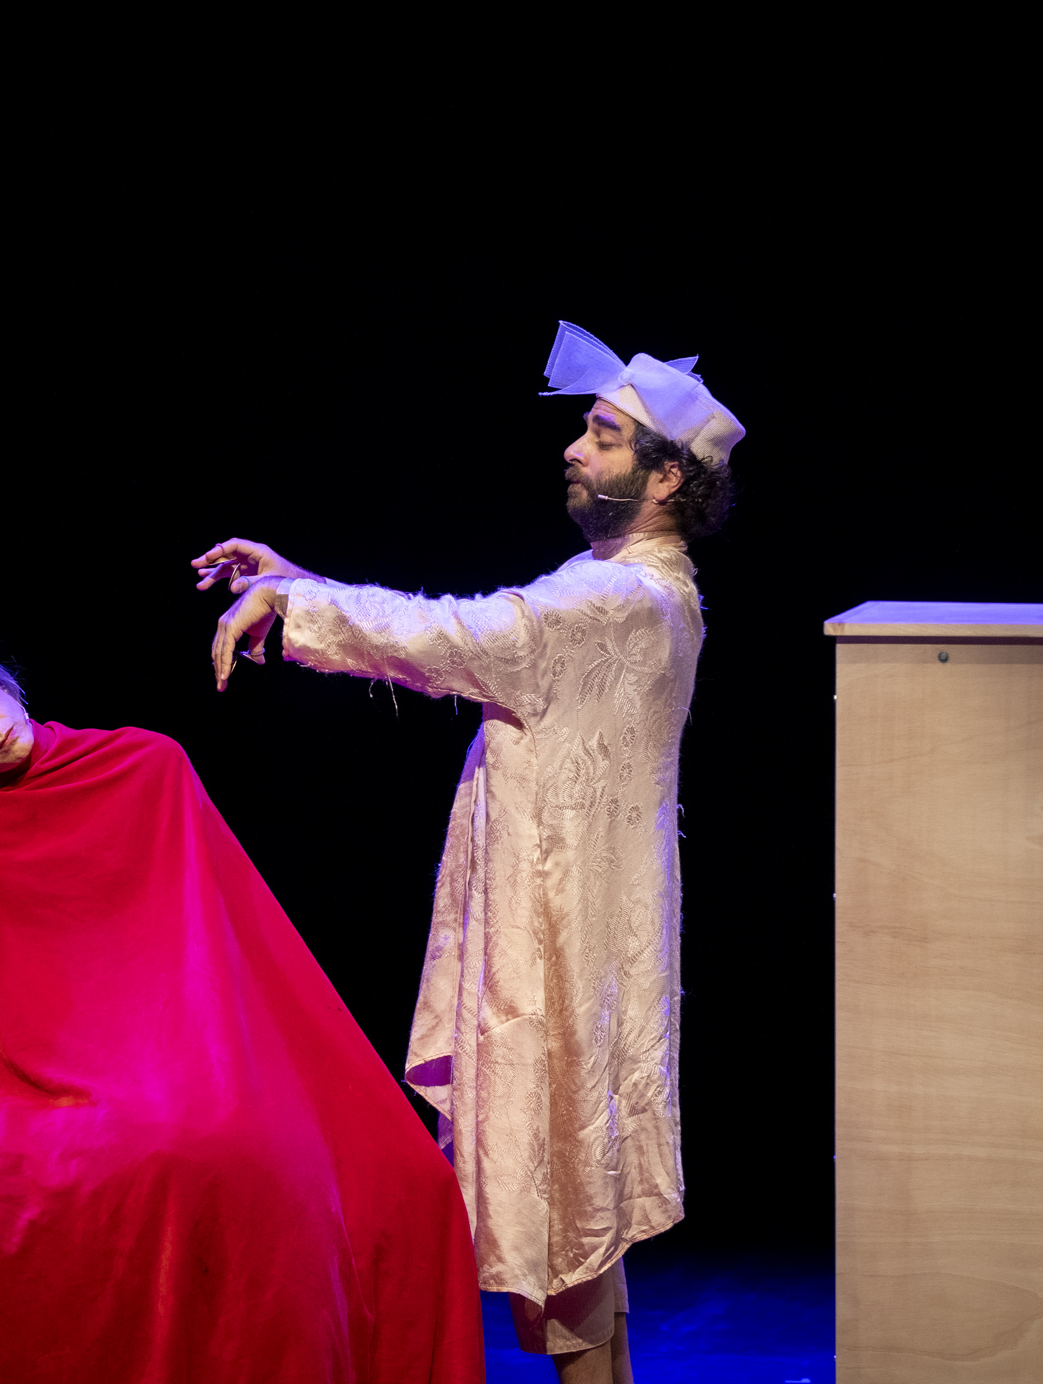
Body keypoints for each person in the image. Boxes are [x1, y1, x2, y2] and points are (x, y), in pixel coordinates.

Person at [195, 321, 742, 1382]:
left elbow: (464, 638)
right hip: (576, 930)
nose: (573, 449)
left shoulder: (619, 598)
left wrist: (296, 601)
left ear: (666, 475)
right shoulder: (639, 585)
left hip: (560, 944)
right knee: (579, 1202)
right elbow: (477, 631)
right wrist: (303, 582)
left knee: (566, 1203)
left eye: (602, 435)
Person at [0, 632, 484, 1384]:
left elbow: (224, 940)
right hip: (81, 1090)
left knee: (408, 1180)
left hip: (208, 1047)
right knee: (181, 1157)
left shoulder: (145, 764)